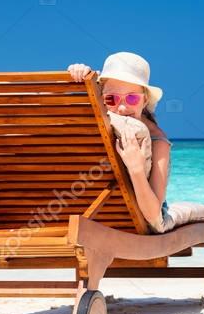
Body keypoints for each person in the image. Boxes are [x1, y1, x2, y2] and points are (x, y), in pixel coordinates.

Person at [68, 52, 170, 228]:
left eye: (132, 98)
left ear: (144, 100)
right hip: (91, 210)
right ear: (100, 98)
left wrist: (136, 169)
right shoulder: (95, 120)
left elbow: (154, 216)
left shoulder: (157, 142)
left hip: (137, 214)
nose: (122, 108)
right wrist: (77, 74)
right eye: (111, 98)